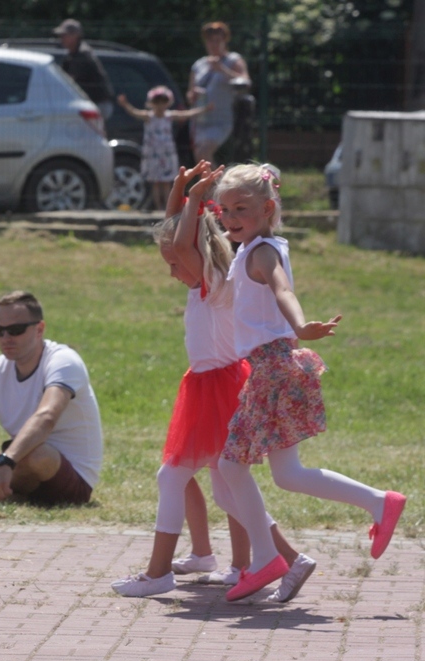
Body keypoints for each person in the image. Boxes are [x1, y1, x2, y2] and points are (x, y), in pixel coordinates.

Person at [112, 164, 311, 600]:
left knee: (175, 477)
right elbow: (177, 234)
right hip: (211, 384)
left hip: (219, 388)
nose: (171, 269)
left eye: (173, 264)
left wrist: (197, 192)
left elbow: (182, 242)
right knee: (226, 488)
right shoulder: (207, 278)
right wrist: (184, 191)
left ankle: (160, 572)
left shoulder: (214, 282)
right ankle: (283, 561)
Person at [211, 163, 406, 601]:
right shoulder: (248, 245)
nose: (230, 217)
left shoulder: (263, 252)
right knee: (287, 474)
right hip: (271, 368)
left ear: (268, 208)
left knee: (230, 466)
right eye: (224, 210)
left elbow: (283, 291)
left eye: (241, 208)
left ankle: (265, 559)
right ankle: (379, 502)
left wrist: (300, 325)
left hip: (273, 368)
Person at [0, 291, 102, 507]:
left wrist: (6, 461)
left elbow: (46, 416)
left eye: (15, 330)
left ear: (39, 329)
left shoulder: (63, 361)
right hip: (16, 466)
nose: (6, 338)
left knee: (38, 454)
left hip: (68, 479)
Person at [116, 87, 211, 211]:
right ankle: (159, 207)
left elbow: (187, 114)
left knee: (166, 183)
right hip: (153, 153)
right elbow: (134, 112)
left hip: (166, 154)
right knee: (156, 183)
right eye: (157, 102)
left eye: (163, 102)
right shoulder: (148, 116)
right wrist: (125, 104)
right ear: (152, 103)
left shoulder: (169, 116)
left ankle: (167, 206)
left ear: (167, 103)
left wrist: (204, 109)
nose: (160, 105)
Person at [187, 22, 249, 164]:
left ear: (224, 41)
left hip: (220, 121)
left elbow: (246, 81)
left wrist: (222, 70)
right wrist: (193, 95)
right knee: (201, 159)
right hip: (200, 121)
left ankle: (216, 186)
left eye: (217, 41)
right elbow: (190, 94)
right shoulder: (199, 65)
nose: (213, 44)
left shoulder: (233, 60)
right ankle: (216, 185)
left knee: (204, 153)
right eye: (210, 41)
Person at [53, 19, 114, 120]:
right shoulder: (72, 55)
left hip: (98, 104)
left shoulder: (82, 55)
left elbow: (68, 82)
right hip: (90, 104)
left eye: (64, 35)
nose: (61, 39)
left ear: (75, 36)